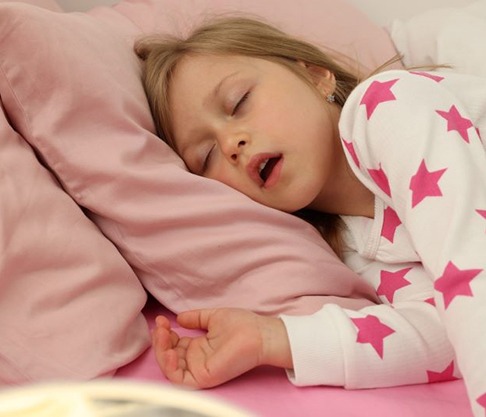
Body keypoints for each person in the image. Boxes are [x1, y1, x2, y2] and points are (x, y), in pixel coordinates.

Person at [135, 17, 486, 417]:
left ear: (318, 78)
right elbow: (445, 337)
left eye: (238, 102)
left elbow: (473, 272)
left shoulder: (389, 106)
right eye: (206, 157)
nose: (231, 143)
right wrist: (272, 338)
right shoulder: (354, 245)